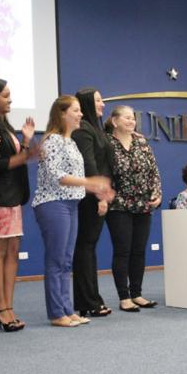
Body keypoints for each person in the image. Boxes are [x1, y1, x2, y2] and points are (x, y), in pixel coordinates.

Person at [32, 96, 113, 327]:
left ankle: (68, 309)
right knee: (57, 260)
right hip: (53, 203)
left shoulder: (72, 143)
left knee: (67, 261)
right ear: (62, 114)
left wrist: (90, 184)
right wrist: (90, 183)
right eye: (76, 111)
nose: (80, 115)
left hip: (71, 204)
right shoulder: (52, 141)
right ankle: (57, 313)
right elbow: (58, 176)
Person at [0, 78, 38, 332]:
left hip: (12, 196)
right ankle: (0, 307)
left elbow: (14, 159)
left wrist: (25, 142)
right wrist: (26, 154)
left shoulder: (3, 124)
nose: (10, 99)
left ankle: (8, 306)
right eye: (5, 95)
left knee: (12, 250)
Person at [105, 105, 162, 313]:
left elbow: (154, 171)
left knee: (139, 251)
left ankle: (137, 293)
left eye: (133, 118)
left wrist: (157, 194)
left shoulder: (141, 141)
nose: (131, 121)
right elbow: (104, 173)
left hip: (143, 204)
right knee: (123, 250)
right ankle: (124, 297)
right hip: (119, 204)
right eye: (127, 118)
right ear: (114, 121)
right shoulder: (107, 143)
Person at [71, 88, 115, 318]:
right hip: (90, 197)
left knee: (89, 248)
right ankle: (87, 301)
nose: (102, 104)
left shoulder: (95, 129)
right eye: (98, 101)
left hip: (98, 195)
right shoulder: (83, 132)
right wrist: (100, 194)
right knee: (85, 248)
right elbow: (89, 164)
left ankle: (92, 298)